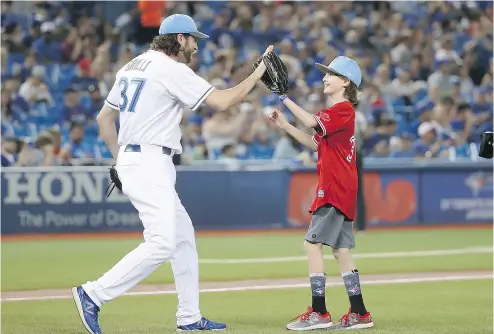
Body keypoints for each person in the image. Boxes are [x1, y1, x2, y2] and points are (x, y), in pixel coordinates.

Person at [71, 13, 273, 334]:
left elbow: (104, 119)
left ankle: (189, 318)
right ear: (179, 39)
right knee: (163, 242)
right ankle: (93, 293)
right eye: (193, 39)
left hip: (137, 159)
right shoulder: (171, 68)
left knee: (182, 239)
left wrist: (119, 162)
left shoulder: (132, 65)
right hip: (150, 160)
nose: (195, 46)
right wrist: (257, 73)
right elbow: (223, 101)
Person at [268, 56, 373, 330]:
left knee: (311, 245)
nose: (325, 78)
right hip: (343, 187)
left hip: (335, 187)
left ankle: (319, 313)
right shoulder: (339, 114)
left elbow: (313, 123)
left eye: (331, 74)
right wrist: (286, 126)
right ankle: (360, 313)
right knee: (340, 251)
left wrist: (285, 99)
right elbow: (315, 142)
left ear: (345, 81)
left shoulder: (343, 109)